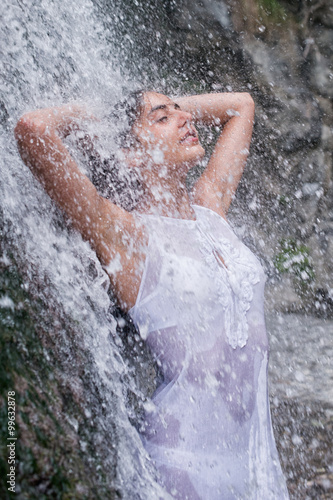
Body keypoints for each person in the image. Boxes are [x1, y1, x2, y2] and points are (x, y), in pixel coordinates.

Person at [14, 90, 289, 499]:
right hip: (183, 462)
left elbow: (243, 105)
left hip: (254, 455)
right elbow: (33, 129)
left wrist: (167, 110)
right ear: (129, 154)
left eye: (184, 113)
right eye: (162, 118)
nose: (185, 119)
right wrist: (108, 112)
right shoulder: (127, 237)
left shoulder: (210, 209)